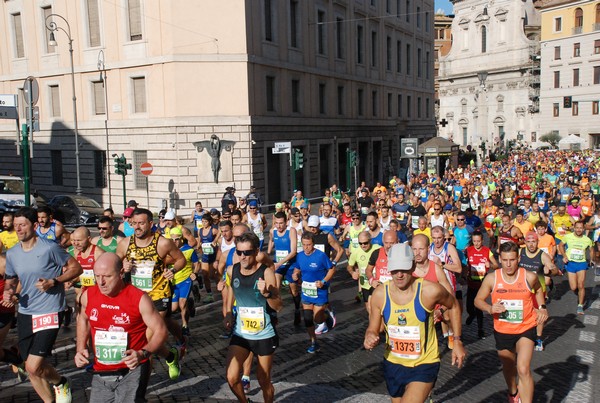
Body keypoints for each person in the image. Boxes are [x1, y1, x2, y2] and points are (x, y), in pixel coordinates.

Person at [364, 243, 466, 402]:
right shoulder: (380, 294)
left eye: (404, 270)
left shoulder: (429, 291)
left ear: (412, 266)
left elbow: (453, 305)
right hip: (393, 363)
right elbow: (372, 328)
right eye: (395, 270)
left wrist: (457, 340)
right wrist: (369, 337)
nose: (399, 275)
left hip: (424, 363)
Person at [2, 207, 83, 403]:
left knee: (32, 365)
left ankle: (60, 382)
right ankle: (49, 401)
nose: (18, 229)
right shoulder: (12, 253)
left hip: (50, 310)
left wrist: (54, 281)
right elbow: (11, 280)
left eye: (22, 225)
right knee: (31, 368)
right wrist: (9, 291)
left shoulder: (49, 248)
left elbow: (76, 268)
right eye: (15, 226)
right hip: (26, 312)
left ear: (35, 225)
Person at [74, 253, 168, 403]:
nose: (101, 282)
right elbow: (83, 319)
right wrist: (80, 348)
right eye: (97, 276)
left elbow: (161, 330)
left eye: (107, 276)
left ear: (121, 273)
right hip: (101, 371)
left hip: (132, 370)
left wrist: (142, 353)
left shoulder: (139, 298)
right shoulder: (88, 295)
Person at [116, 208, 186, 380]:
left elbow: (181, 259)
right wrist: (122, 267)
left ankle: (140, 389)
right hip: (136, 298)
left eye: (141, 223)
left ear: (150, 224)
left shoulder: (162, 243)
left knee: (145, 341)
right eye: (134, 223)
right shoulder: (125, 243)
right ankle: (170, 355)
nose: (137, 227)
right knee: (140, 340)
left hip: (158, 295)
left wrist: (172, 270)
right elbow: (115, 263)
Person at [475, 242, 548, 403]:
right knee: (509, 368)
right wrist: (489, 308)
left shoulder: (529, 276)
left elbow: (538, 290)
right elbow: (478, 300)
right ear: (500, 259)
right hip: (503, 330)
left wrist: (542, 308)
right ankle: (513, 392)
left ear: (518, 259)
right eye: (505, 260)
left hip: (525, 328)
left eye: (512, 260)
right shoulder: (492, 278)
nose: (509, 264)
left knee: (523, 368)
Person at [223, 232, 281, 403]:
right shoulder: (231, 270)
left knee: (264, 381)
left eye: (247, 252)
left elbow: (278, 305)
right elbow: (231, 291)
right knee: (232, 378)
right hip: (241, 334)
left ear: (256, 252)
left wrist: (267, 293)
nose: (242, 257)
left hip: (264, 334)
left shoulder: (266, 273)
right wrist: (227, 313)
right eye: (239, 252)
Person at [291, 232, 336, 352]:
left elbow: (331, 269)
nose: (306, 247)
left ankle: (326, 316)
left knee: (317, 319)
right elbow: (297, 268)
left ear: (313, 244)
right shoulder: (300, 256)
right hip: (306, 291)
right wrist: (295, 274)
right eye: (304, 244)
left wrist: (323, 281)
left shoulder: (321, 256)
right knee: (307, 318)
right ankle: (314, 342)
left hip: (319, 292)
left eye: (309, 245)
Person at [519, 231, 558, 351]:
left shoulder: (543, 256)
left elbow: (555, 271)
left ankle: (539, 339)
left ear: (537, 242)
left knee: (540, 314)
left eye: (533, 242)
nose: (531, 245)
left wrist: (550, 270)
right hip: (522, 290)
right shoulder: (521, 252)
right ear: (525, 242)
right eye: (529, 242)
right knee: (522, 313)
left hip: (538, 291)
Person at [465, 231, 498, 339]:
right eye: (474, 241)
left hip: (482, 284)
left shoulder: (487, 251)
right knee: (469, 306)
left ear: (482, 241)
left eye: (478, 241)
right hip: (471, 283)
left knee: (479, 308)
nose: (476, 243)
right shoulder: (468, 250)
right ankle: (471, 314)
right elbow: (464, 264)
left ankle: (480, 329)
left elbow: (496, 265)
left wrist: (491, 265)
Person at [268, 212, 299, 324]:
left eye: (281, 223)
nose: (279, 226)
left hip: (290, 264)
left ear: (286, 222)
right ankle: (274, 313)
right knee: (275, 287)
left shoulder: (291, 231)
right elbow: (271, 241)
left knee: (294, 290)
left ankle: (297, 309)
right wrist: (268, 253)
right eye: (276, 223)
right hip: (279, 265)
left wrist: (280, 262)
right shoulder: (272, 231)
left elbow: (294, 251)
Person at [557, 221, 594, 315]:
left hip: (581, 264)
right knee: (574, 287)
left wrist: (591, 259)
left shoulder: (587, 239)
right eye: (577, 227)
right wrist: (564, 256)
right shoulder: (568, 237)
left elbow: (591, 249)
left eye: (581, 228)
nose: (578, 230)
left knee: (581, 284)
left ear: (583, 229)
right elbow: (561, 245)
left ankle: (580, 305)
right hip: (571, 264)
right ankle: (579, 293)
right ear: (574, 228)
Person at [169, 227, 199, 336]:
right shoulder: (169, 251)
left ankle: (185, 326)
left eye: (177, 239)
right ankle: (190, 304)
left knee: (182, 304)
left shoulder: (189, 250)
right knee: (173, 308)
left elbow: (197, 264)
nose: (174, 242)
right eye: (172, 240)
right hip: (174, 282)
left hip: (186, 280)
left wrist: (194, 273)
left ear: (181, 238)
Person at [347, 231, 381, 312]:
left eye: (365, 243)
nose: (363, 245)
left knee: (377, 309)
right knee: (369, 309)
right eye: (360, 243)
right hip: (365, 284)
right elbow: (349, 266)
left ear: (370, 240)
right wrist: (352, 272)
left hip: (377, 283)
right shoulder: (356, 252)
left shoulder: (378, 248)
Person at [198, 214, 220, 303]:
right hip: (205, 256)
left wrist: (215, 241)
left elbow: (220, 232)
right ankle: (209, 295)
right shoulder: (200, 230)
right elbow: (199, 241)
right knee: (205, 275)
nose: (204, 223)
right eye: (202, 221)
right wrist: (198, 246)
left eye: (205, 221)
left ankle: (221, 284)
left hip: (212, 255)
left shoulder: (213, 230)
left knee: (211, 275)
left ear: (209, 222)